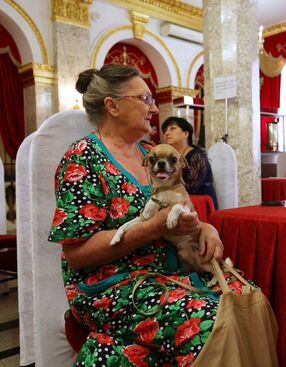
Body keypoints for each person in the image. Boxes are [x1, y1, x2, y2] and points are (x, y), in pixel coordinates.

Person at [48, 64, 243, 365]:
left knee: (242, 299)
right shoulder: (83, 157)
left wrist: (204, 228)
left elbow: (180, 205)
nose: (153, 108)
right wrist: (152, 228)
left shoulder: (150, 151)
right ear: (112, 105)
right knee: (211, 321)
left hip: (170, 273)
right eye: (145, 99)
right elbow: (76, 255)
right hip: (112, 286)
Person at [162, 116, 219, 209]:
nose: (167, 133)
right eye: (165, 131)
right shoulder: (169, 158)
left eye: (172, 128)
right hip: (178, 202)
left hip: (200, 204)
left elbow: (192, 187)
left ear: (185, 134)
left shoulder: (196, 156)